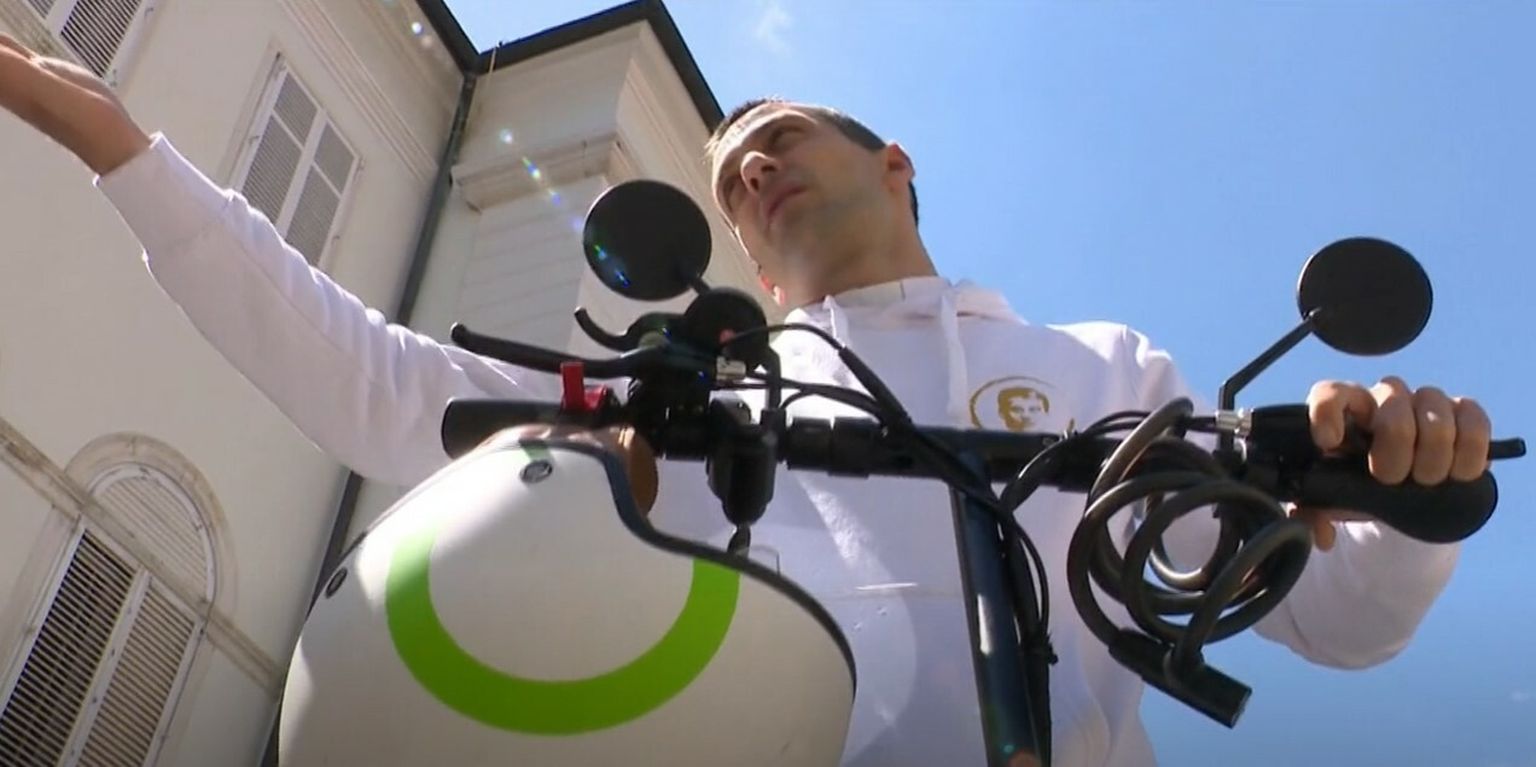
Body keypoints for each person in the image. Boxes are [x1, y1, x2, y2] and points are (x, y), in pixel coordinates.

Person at [0, 35, 1496, 767]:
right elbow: (383, 390)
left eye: (775, 136)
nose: (749, 169)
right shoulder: (702, 397)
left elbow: (1333, 617)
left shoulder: (1109, 369)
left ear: (894, 165)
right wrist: (122, 145)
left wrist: (1409, 498)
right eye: (727, 179)